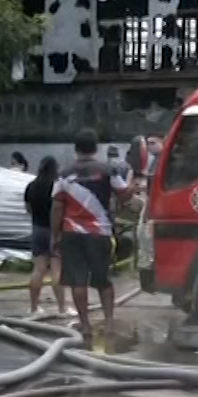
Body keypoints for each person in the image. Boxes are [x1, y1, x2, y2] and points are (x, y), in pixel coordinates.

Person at [52, 129, 128, 352]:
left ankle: (85, 326)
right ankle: (109, 321)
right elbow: (124, 194)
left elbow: (57, 205)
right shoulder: (107, 170)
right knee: (103, 280)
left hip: (72, 233)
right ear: (96, 148)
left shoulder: (64, 173)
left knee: (78, 282)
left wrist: (55, 235)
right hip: (100, 233)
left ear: (76, 149)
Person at [23, 156, 67, 315]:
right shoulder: (57, 186)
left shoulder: (31, 186)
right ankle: (62, 308)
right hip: (54, 230)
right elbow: (61, 208)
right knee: (57, 269)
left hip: (37, 229)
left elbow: (28, 208)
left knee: (38, 269)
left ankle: (34, 307)